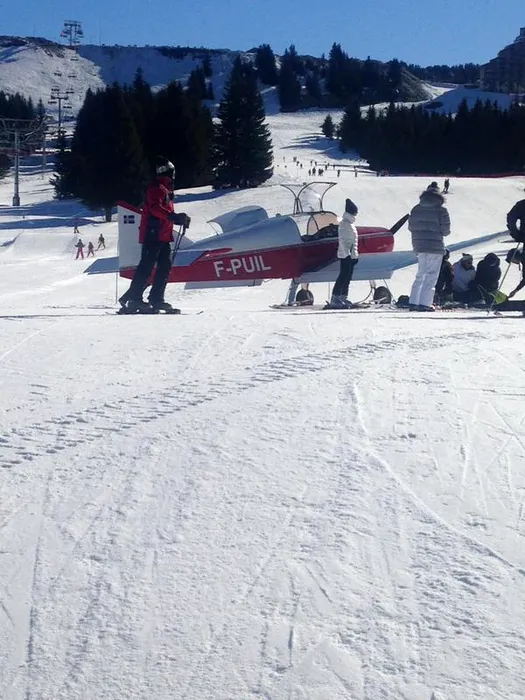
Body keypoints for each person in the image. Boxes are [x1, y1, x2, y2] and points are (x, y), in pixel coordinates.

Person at [119, 157, 190, 314]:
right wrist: (174, 217)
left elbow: (165, 212)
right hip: (153, 234)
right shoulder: (156, 188)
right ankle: (135, 300)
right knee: (146, 266)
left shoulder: (165, 189)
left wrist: (178, 219)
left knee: (164, 267)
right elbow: (155, 209)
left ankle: (156, 299)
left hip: (162, 235)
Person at [408, 187, 451, 311]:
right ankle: (425, 303)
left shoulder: (416, 209)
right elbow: (446, 231)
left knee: (420, 274)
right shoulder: (441, 210)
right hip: (435, 246)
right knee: (431, 276)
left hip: (419, 245)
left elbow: (410, 227)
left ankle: (413, 302)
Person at [326, 198, 359, 308]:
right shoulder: (345, 224)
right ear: (351, 212)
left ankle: (343, 297)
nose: (356, 214)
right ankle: (335, 297)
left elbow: (353, 242)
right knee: (343, 276)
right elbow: (344, 241)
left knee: (348, 277)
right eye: (355, 212)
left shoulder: (350, 224)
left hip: (350, 255)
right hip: (346, 255)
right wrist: (347, 255)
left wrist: (354, 256)